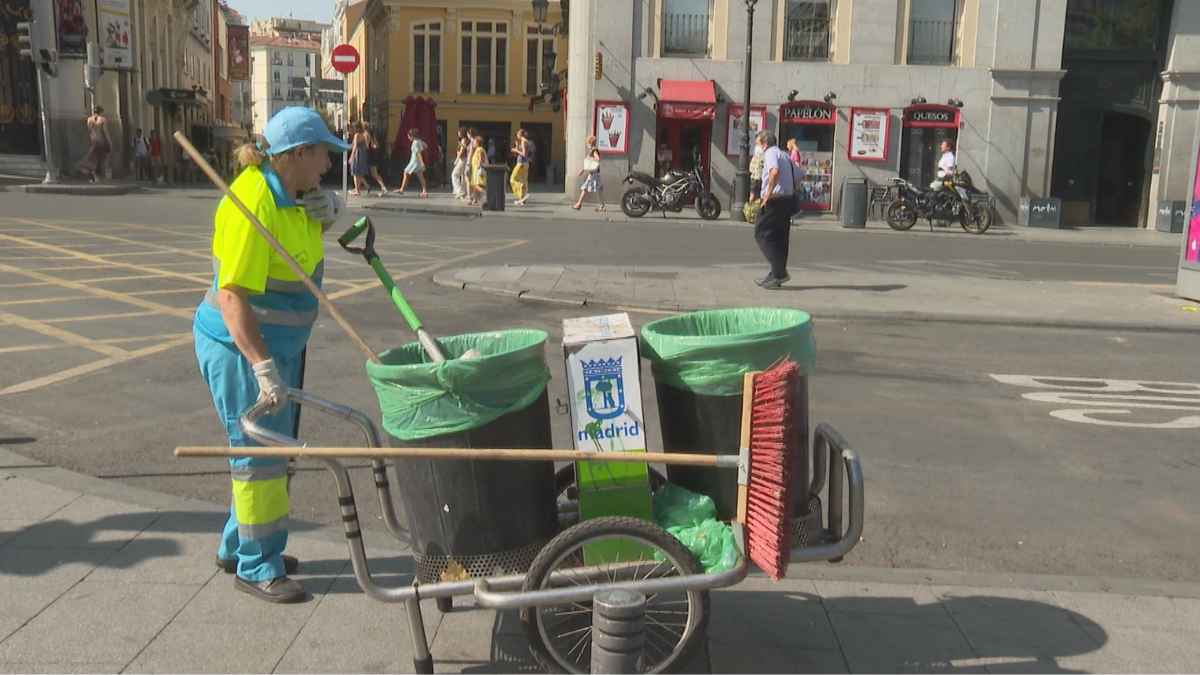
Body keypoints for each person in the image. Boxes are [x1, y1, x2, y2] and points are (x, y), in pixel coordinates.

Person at [193, 106, 349, 604]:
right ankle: (258, 566)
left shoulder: (295, 197)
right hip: (242, 349)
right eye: (323, 153)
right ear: (298, 154)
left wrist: (325, 215)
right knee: (258, 459)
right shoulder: (252, 202)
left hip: (282, 348)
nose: (329, 163)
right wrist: (261, 366)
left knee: (271, 454)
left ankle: (236, 547)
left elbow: (296, 256)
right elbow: (234, 296)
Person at [752, 130, 797, 290]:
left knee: (761, 233)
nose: (757, 147)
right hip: (787, 200)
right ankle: (775, 276)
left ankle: (779, 271)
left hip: (774, 200)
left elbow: (774, 172)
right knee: (780, 238)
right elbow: (799, 174)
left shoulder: (770, 153)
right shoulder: (784, 154)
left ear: (764, 143)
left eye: (757, 143)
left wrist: (767, 195)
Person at [78, 106, 111, 183]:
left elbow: (89, 131)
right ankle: (98, 177)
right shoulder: (103, 119)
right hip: (101, 142)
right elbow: (105, 132)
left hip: (93, 141)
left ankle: (94, 176)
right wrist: (109, 142)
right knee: (101, 159)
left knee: (93, 159)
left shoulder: (89, 119)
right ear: (101, 112)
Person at [573, 136, 605, 211]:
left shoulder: (594, 151)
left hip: (593, 174)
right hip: (596, 173)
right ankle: (602, 205)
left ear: (590, 143)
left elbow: (597, 159)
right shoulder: (593, 150)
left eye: (587, 143)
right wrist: (582, 170)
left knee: (585, 188)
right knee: (599, 189)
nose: (587, 145)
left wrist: (590, 158)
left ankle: (578, 204)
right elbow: (588, 164)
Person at [398, 129, 428, 198]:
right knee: (420, 176)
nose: (408, 138)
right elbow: (426, 146)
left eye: (409, 136)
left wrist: (422, 162)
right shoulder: (419, 141)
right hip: (415, 161)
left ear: (412, 136)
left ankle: (402, 189)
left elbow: (418, 153)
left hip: (415, 161)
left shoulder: (415, 142)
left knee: (406, 172)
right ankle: (424, 191)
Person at [364, 123, 391, 194]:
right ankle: (383, 187)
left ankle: (366, 186)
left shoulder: (366, 134)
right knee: (374, 173)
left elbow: (366, 146)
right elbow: (377, 145)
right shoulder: (372, 135)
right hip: (373, 155)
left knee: (358, 172)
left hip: (368, 155)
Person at [348, 123, 371, 195]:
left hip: (357, 154)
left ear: (356, 128)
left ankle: (357, 191)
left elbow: (354, 147)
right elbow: (367, 146)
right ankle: (366, 186)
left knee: (355, 172)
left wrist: (351, 156)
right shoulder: (364, 135)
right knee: (360, 173)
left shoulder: (356, 135)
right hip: (363, 154)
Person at [510, 129, 531, 206]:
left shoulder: (523, 141)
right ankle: (522, 199)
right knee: (523, 181)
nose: (517, 136)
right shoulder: (525, 141)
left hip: (521, 163)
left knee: (512, 179)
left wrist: (516, 150)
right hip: (525, 163)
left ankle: (521, 194)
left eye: (517, 135)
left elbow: (524, 154)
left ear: (520, 134)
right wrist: (517, 147)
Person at [468, 134, 487, 206]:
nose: (473, 143)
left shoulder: (480, 149)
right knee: (474, 186)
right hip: (476, 171)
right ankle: (475, 200)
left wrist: (479, 166)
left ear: (478, 143)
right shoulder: (477, 150)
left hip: (478, 170)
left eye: (474, 142)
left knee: (477, 186)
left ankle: (484, 194)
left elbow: (481, 159)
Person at [451, 128, 470, 200]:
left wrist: (456, 160)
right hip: (465, 159)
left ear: (462, 133)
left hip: (462, 160)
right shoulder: (465, 140)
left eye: (459, 132)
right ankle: (463, 193)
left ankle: (459, 191)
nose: (458, 133)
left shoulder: (463, 140)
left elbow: (462, 151)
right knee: (463, 176)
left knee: (454, 174)